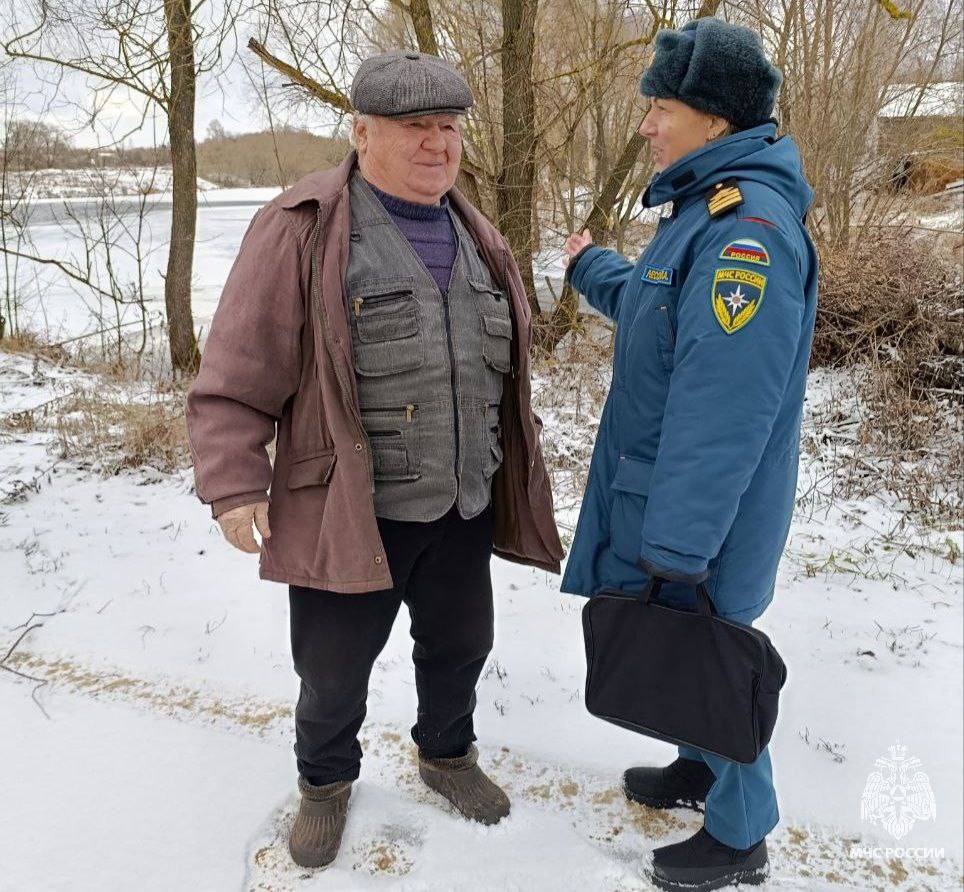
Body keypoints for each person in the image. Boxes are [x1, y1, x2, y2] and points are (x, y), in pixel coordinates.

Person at [186, 48, 563, 870]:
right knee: (332, 670)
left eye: (449, 126)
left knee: (461, 644)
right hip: (352, 506)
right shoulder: (303, 226)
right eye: (415, 127)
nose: (439, 144)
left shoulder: (476, 230)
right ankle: (324, 784)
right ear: (361, 131)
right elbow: (238, 370)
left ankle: (446, 754)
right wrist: (234, 483)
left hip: (462, 499)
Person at [562, 18, 817, 891]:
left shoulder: (748, 229)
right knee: (686, 643)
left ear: (712, 117)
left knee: (709, 649)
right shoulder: (704, 211)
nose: (645, 125)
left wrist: (679, 545)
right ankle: (701, 769)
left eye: (659, 106)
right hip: (675, 499)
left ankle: (742, 833)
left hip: (705, 511)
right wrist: (591, 266)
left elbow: (724, 407)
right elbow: (656, 301)